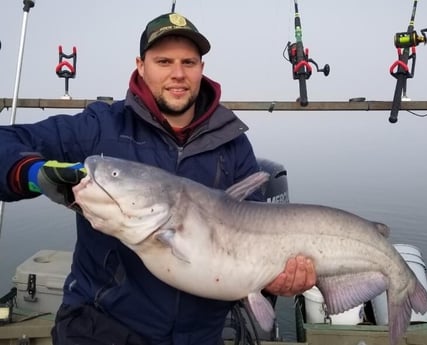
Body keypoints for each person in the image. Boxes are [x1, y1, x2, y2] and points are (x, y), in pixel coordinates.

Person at [0, 12, 316, 345]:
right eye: (163, 61)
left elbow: (252, 240)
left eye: (188, 62)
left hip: (200, 337)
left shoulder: (233, 144)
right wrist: (34, 174)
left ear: (201, 69)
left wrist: (273, 279)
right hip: (100, 329)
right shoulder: (102, 127)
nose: (177, 74)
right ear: (141, 65)